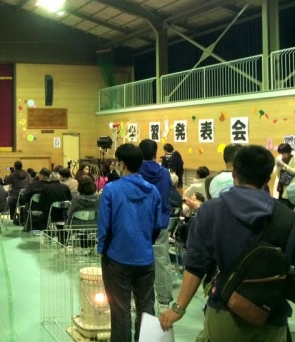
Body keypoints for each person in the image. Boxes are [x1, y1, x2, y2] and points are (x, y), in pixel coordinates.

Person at [159, 145, 295, 340]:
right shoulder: (287, 217)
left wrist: (178, 309)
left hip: (224, 311)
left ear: (234, 173)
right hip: (271, 315)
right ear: (268, 178)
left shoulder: (211, 210)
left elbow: (195, 265)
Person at [98, 143, 163, 342]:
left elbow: (104, 226)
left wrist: (102, 249)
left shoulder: (111, 190)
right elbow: (157, 225)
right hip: (145, 258)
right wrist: (145, 243)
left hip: (117, 257)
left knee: (120, 310)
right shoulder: (153, 191)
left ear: (122, 164)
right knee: (146, 308)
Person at [138, 139, 173, 311]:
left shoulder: (136, 172)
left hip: (140, 223)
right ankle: (164, 302)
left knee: (137, 261)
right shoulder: (165, 173)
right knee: (162, 261)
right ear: (155, 153)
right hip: (161, 222)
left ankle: (137, 299)